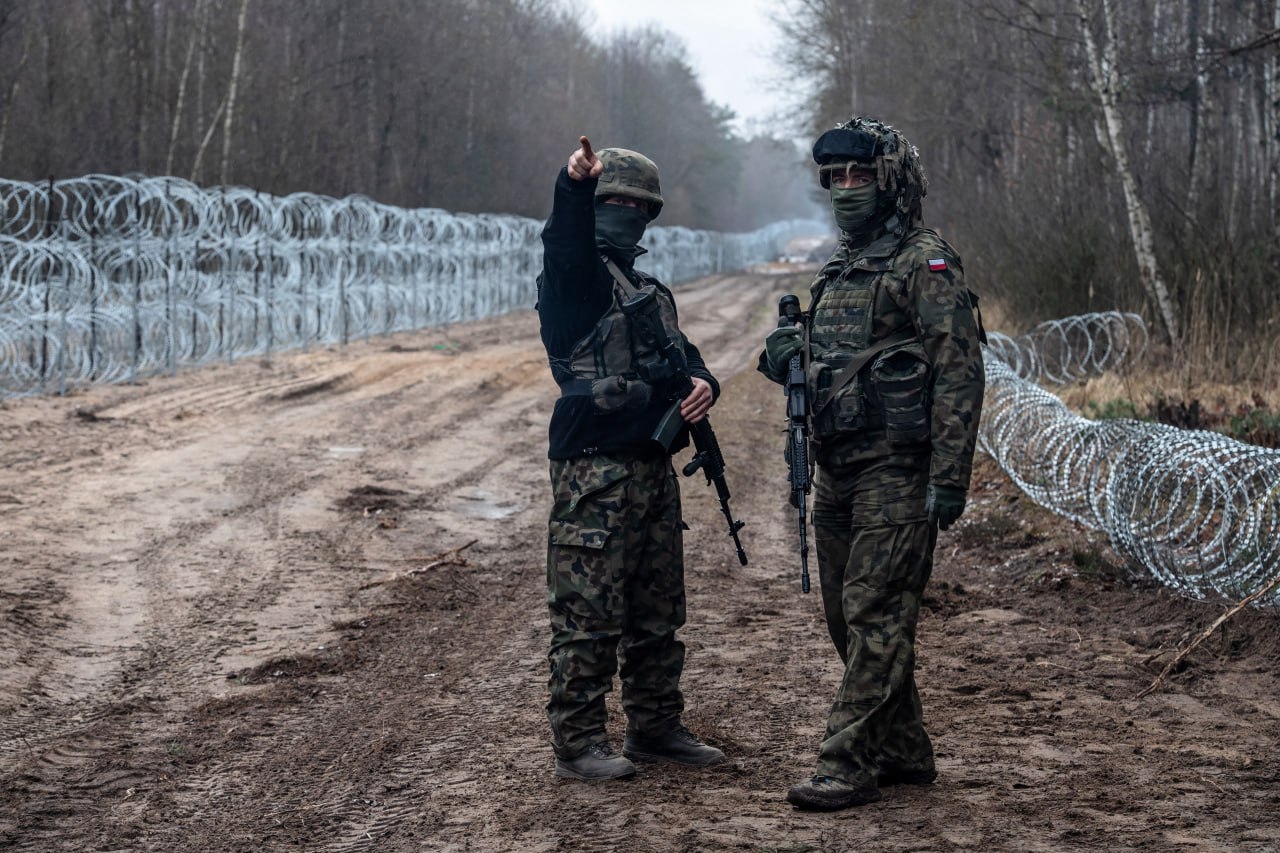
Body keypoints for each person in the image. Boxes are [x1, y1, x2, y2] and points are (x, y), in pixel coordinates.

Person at [758, 116, 985, 810]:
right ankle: (905, 747)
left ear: (891, 183)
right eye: (836, 179)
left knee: (875, 610)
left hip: (899, 468)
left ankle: (847, 760)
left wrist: (950, 475)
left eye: (859, 176)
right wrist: (784, 353)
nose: (846, 189)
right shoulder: (841, 269)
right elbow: (824, 357)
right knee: (845, 616)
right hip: (839, 467)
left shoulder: (925, 262)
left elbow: (959, 369)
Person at [536, 137, 726, 781]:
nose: (624, 213)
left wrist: (704, 384)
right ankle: (579, 742)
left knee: (656, 611)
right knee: (587, 614)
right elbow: (563, 243)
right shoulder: (574, 284)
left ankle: (655, 725)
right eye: (612, 202)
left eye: (636, 206)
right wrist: (573, 188)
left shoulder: (648, 291)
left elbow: (684, 356)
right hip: (594, 472)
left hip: (650, 469)